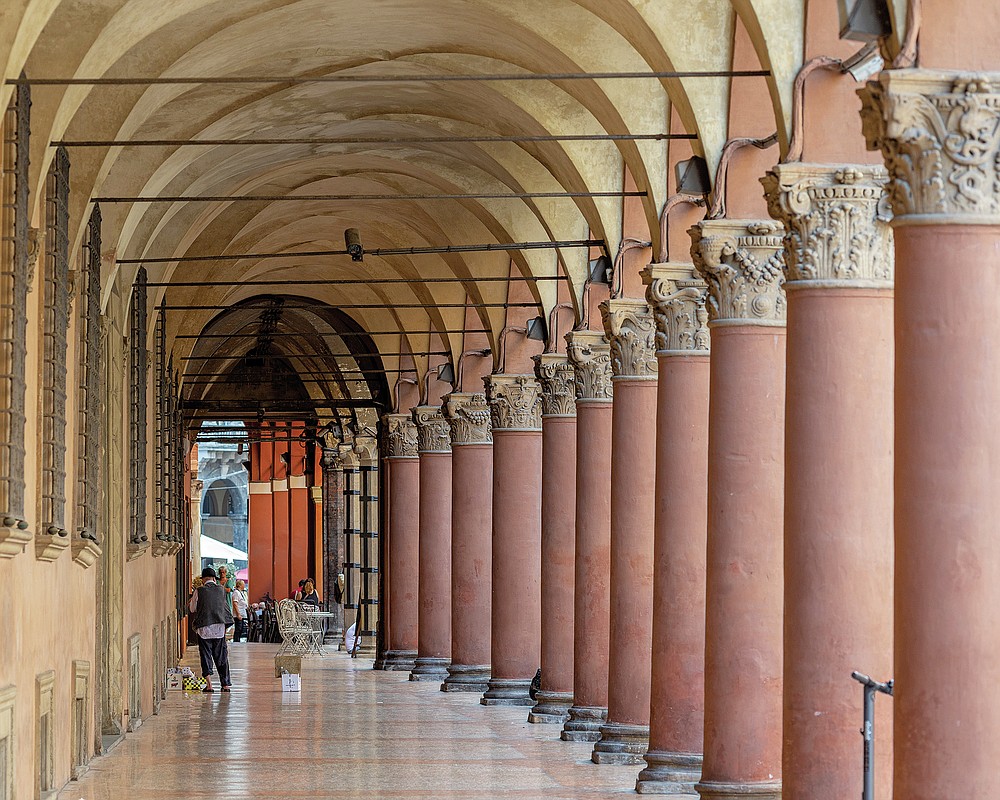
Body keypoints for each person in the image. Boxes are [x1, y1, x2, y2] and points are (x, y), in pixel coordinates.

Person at [188, 567, 234, 692]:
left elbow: (192, 609)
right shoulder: (222, 590)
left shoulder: (199, 590)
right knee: (221, 656)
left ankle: (209, 685)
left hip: (204, 629)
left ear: (203, 579)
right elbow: (225, 608)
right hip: (219, 628)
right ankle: (225, 685)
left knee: (206, 656)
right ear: (214, 579)